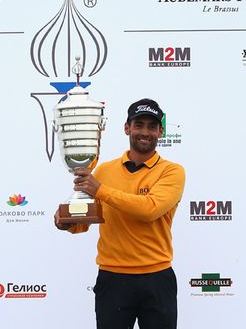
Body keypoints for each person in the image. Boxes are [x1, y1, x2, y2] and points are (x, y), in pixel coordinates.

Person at [55, 98, 186, 329]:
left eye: (152, 126)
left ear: (161, 131)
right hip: (112, 278)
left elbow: (149, 209)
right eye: (139, 125)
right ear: (127, 128)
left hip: (156, 277)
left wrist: (100, 189)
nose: (145, 132)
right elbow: (85, 222)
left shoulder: (172, 172)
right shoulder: (104, 170)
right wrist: (67, 221)